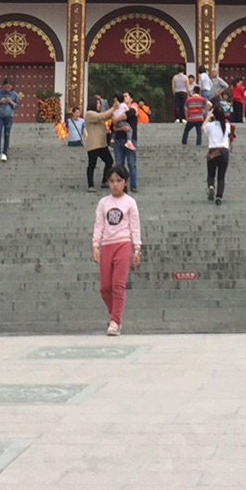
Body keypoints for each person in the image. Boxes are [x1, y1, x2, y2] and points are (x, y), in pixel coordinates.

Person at [90, 166, 142, 336]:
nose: (115, 185)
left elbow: (134, 226)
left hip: (123, 244)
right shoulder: (103, 203)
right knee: (105, 288)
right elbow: (99, 225)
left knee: (118, 285)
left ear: (125, 182)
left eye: (118, 181)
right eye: (111, 181)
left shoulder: (130, 203)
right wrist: (95, 245)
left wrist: (137, 248)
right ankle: (115, 316)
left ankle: (115, 321)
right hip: (107, 245)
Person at [203, 99, 235, 205]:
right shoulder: (227, 126)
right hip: (224, 151)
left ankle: (211, 186)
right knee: (221, 176)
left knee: (211, 174)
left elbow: (202, 128)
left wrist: (208, 117)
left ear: (214, 115)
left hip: (213, 151)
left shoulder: (210, 126)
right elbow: (230, 137)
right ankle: (219, 196)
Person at [83, 95, 114, 192]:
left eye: (100, 103)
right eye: (98, 103)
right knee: (92, 164)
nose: (99, 105)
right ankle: (90, 185)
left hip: (102, 144)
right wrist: (114, 107)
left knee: (109, 161)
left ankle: (105, 180)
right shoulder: (89, 114)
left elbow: (107, 116)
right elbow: (103, 116)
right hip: (93, 144)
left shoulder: (98, 115)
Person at [110, 94, 138, 192]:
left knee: (131, 163)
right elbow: (112, 127)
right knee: (119, 164)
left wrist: (116, 119)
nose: (124, 98)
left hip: (130, 140)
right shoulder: (117, 109)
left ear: (131, 99)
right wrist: (120, 128)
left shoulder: (132, 109)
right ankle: (120, 185)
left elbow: (127, 115)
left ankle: (133, 185)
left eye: (126, 96)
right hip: (119, 140)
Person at [0, 80, 19, 161]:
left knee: (7, 134)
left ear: (11, 86)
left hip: (9, 116)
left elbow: (17, 106)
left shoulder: (14, 94)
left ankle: (4, 153)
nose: (7, 89)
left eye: (9, 87)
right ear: (3, 86)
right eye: (6, 87)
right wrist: (0, 101)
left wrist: (11, 102)